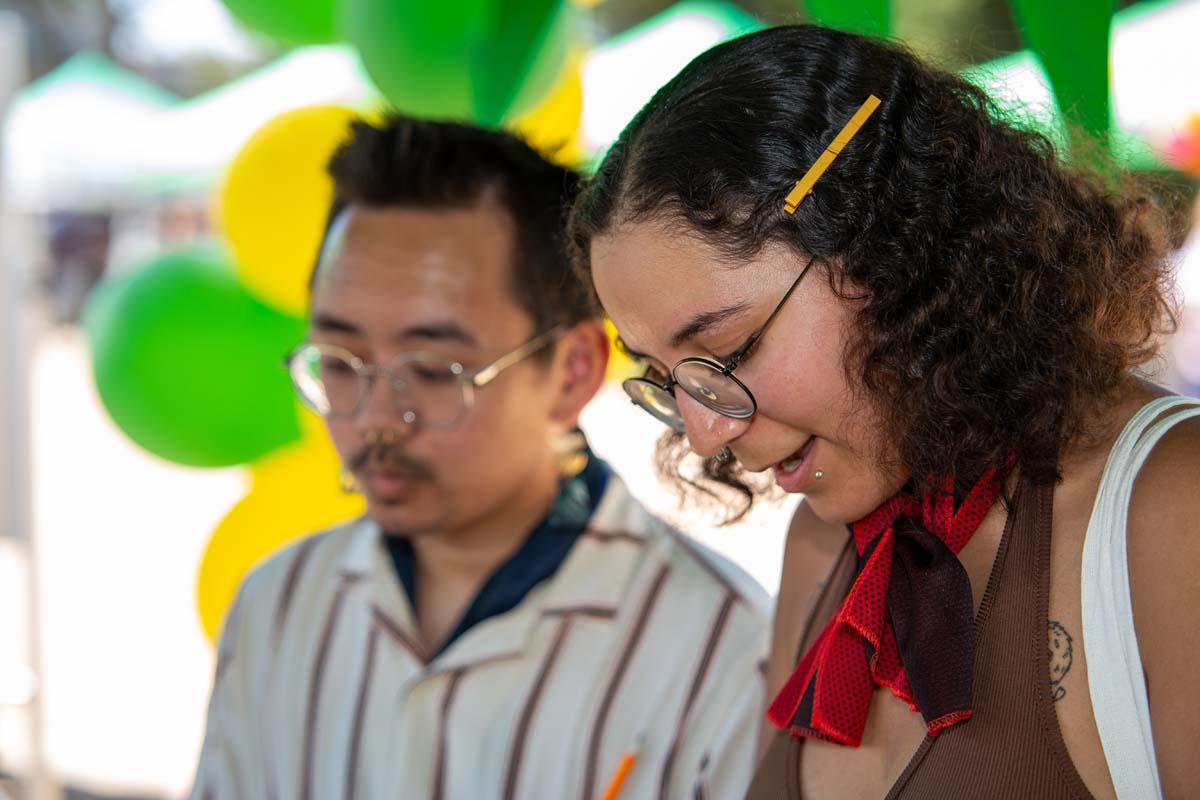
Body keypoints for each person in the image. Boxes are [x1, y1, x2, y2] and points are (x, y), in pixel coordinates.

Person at [571, 24, 1199, 800]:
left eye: (729, 353)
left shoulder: (1168, 509)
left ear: (899, 250)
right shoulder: (822, 545)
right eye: (666, 379)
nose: (706, 433)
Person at [190, 116, 770, 799]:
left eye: (433, 369)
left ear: (572, 370)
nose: (375, 418)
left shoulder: (720, 651)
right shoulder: (278, 605)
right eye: (342, 362)